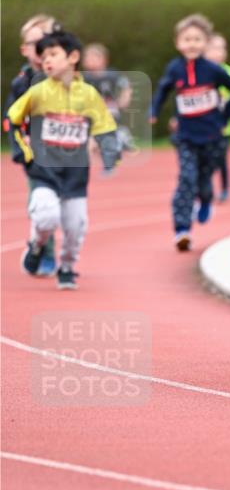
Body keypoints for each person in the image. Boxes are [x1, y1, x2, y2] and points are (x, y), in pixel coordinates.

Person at [6, 30, 120, 289]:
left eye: (53, 54)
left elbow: (104, 126)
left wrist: (110, 154)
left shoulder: (89, 95)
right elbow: (12, 119)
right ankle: (36, 245)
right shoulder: (38, 92)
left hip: (75, 172)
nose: (46, 60)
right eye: (43, 56)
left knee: (75, 226)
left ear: (73, 57)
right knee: (46, 216)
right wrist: (23, 152)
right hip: (44, 170)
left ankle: (67, 267)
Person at [150, 13, 230, 250]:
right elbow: (163, 89)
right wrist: (154, 110)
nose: (191, 44)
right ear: (178, 43)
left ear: (206, 43)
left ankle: (207, 199)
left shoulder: (213, 70)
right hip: (186, 137)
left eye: (197, 39)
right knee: (186, 179)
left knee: (203, 180)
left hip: (213, 136)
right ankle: (182, 229)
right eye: (186, 39)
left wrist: (228, 116)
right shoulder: (175, 69)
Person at [4, 14, 60, 276]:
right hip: (35, 155)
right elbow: (10, 120)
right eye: (33, 43)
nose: (39, 49)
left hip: (66, 154)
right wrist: (19, 149)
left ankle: (38, 243)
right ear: (24, 49)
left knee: (67, 210)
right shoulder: (21, 83)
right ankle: (45, 251)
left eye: (45, 42)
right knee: (44, 206)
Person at [204, 32, 230, 201]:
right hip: (203, 125)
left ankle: (225, 188)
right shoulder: (200, 72)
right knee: (205, 158)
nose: (219, 52)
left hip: (224, 125)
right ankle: (206, 188)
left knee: (220, 158)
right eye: (214, 48)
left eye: (222, 48)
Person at [82, 43, 134, 153]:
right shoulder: (83, 78)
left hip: (109, 111)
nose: (89, 60)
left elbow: (126, 87)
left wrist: (123, 100)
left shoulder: (113, 75)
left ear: (103, 59)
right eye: (87, 57)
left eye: (93, 57)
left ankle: (120, 135)